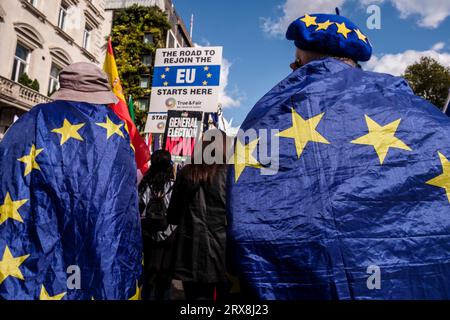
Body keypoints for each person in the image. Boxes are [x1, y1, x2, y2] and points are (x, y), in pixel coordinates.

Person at [228, 13, 450, 300]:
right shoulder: (420, 113)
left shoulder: (273, 113)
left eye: (295, 63)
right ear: (353, 62)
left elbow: (254, 218)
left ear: (305, 63)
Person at [0, 62, 141, 300]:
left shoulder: (32, 121)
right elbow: (122, 212)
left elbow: (10, 185)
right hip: (102, 261)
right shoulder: (118, 133)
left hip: (42, 260)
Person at [167, 129, 230, 301]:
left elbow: (172, 215)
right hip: (223, 253)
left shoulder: (186, 173)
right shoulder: (230, 174)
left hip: (189, 252)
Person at [139, 149, 177, 300]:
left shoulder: (144, 183)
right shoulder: (173, 185)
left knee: (149, 274)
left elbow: (139, 205)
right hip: (169, 234)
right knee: (165, 275)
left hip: (148, 232)